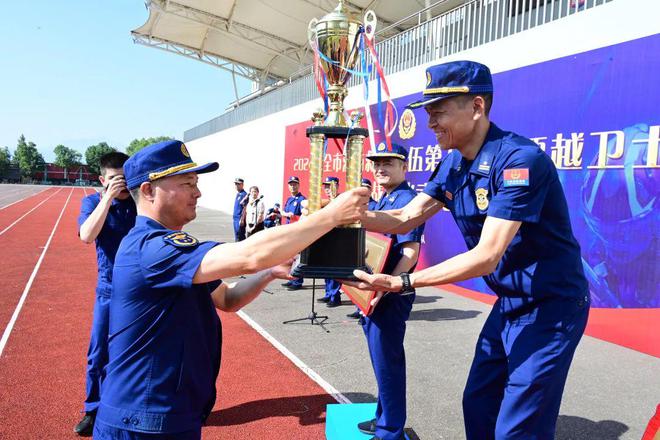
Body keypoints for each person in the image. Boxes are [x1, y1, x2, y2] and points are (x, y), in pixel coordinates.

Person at [352, 61, 590, 440]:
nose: (430, 123)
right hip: (510, 303)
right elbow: (404, 217)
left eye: (439, 111)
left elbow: (487, 255)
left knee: (518, 428)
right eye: (428, 112)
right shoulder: (453, 163)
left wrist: (403, 282)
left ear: (477, 107)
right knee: (478, 404)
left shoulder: (518, 161)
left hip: (551, 307)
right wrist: (351, 216)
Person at [93, 139, 368, 439]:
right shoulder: (151, 248)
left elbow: (228, 299)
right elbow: (248, 256)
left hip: (169, 411)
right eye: (187, 183)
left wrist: (269, 273)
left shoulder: (172, 251)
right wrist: (330, 216)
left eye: (196, 183)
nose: (197, 192)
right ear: (148, 190)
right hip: (142, 417)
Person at [354, 144, 425, 440]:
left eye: (389, 163)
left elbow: (410, 253)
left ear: (404, 167)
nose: (380, 167)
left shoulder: (407, 199)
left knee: (388, 362)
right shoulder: (383, 198)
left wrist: (386, 287)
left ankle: (390, 431)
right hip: (375, 293)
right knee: (380, 360)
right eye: (377, 162)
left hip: (390, 295)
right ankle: (383, 416)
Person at [75, 152, 137, 436]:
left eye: (123, 178)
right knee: (99, 352)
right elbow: (87, 235)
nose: (119, 184)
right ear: (102, 180)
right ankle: (93, 409)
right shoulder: (92, 202)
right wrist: (107, 199)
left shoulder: (139, 203)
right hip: (110, 289)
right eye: (113, 179)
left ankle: (132, 405)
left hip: (140, 289)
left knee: (139, 351)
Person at [346, 177, 379, 319]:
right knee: (358, 278)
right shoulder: (353, 206)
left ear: (370, 190)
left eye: (366, 188)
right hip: (356, 245)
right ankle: (359, 307)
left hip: (370, 247)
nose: (363, 191)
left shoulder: (375, 205)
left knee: (368, 278)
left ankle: (365, 309)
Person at [317, 176, 343, 307]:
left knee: (334, 270)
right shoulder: (325, 202)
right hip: (326, 238)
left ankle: (335, 296)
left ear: (337, 186)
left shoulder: (342, 200)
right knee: (326, 269)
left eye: (330, 186)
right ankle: (328, 294)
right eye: (326, 187)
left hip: (338, 239)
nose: (327, 189)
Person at [281, 176, 306, 291]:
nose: (292, 186)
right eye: (290, 184)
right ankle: (292, 278)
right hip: (288, 231)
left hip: (297, 232)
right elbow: (283, 211)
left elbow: (305, 215)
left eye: (295, 184)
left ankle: (298, 281)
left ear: (298, 185)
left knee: (297, 258)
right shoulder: (289, 199)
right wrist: (285, 214)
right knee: (290, 257)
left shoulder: (302, 200)